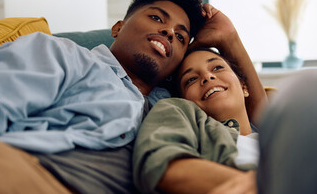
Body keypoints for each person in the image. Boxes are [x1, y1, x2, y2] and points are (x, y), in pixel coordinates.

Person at [0, 0, 262, 193]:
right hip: (26, 173)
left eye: (181, 37)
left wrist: (230, 40)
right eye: (157, 18)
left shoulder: (174, 104)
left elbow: (259, 120)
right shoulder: (64, 55)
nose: (169, 32)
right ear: (118, 27)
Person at [133, 35, 317, 193]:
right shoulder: (176, 109)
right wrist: (262, 184)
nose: (207, 77)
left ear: (244, 87)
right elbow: (159, 164)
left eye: (217, 68)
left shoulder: (277, 136)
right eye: (191, 79)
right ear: (185, 99)